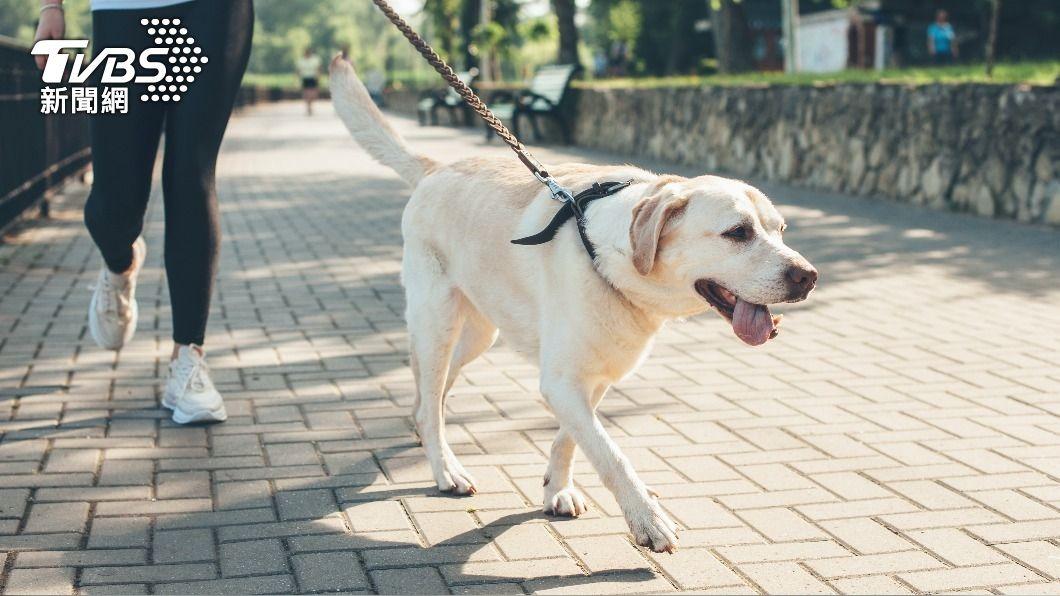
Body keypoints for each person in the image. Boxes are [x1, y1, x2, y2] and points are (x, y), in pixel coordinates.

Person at [33, 0, 254, 424]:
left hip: (216, 11)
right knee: (113, 207)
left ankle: (188, 358)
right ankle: (121, 260)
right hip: (124, 10)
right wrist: (51, 7)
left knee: (192, 172)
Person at [296, 48, 321, 115]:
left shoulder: (315, 60)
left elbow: (318, 69)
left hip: (313, 78)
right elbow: (298, 70)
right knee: (306, 94)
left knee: (313, 94)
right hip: (305, 78)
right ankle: (308, 107)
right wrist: (297, 79)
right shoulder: (301, 60)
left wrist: (318, 77)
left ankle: (310, 105)